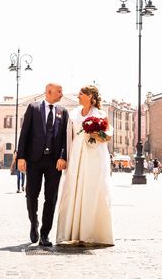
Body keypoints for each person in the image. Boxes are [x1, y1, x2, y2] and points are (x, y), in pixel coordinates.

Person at [56, 84, 114, 247]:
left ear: (90, 96)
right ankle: (72, 232)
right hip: (76, 154)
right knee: (73, 188)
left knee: (91, 189)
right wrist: (65, 156)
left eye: (81, 94)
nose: (78, 96)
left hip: (94, 155)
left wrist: (97, 133)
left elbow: (107, 135)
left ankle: (92, 231)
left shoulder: (101, 114)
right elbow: (68, 137)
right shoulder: (73, 114)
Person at [17, 83, 69, 247]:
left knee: (51, 198)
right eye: (59, 91)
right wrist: (21, 157)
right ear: (49, 91)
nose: (62, 94)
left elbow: (65, 138)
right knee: (31, 194)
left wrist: (63, 156)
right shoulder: (33, 108)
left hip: (54, 162)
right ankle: (34, 224)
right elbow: (24, 133)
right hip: (34, 160)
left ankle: (45, 234)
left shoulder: (63, 111)